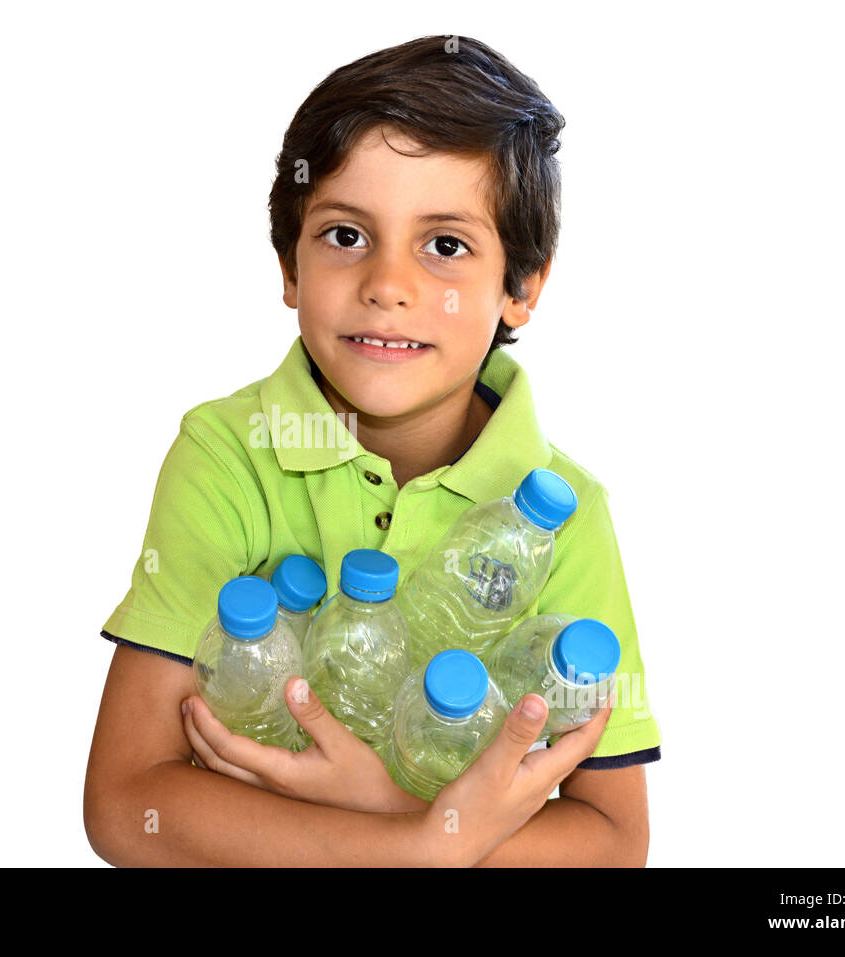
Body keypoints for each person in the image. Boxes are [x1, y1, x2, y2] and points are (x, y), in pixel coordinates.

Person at [83, 35, 661, 866]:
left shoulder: (563, 509)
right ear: (289, 266)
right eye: (347, 235)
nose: (388, 284)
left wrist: (400, 817)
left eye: (446, 245)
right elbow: (126, 801)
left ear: (521, 287)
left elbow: (613, 840)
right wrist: (413, 843)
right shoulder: (232, 454)